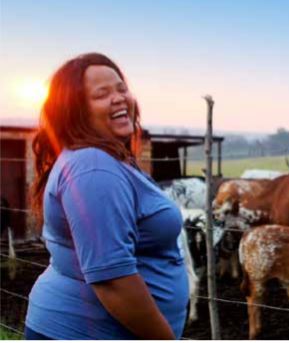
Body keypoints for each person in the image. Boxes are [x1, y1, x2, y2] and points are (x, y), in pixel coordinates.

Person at [25, 53, 189, 339]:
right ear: (76, 111)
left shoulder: (107, 158)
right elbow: (113, 279)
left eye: (121, 88)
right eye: (102, 94)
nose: (119, 98)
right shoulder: (93, 168)